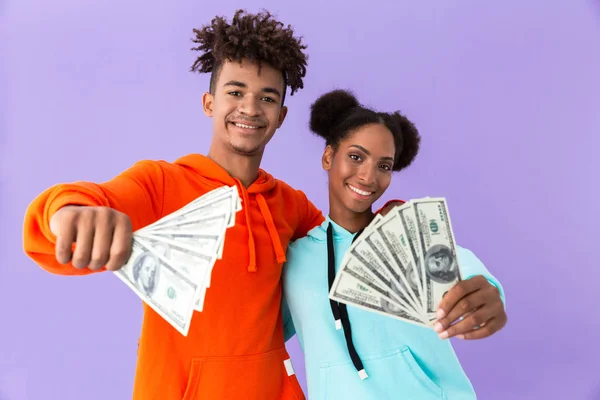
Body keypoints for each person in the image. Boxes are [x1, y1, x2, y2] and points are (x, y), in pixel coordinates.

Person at [22, 9, 331, 400]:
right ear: (208, 102)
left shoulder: (292, 205)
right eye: (235, 92)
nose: (250, 109)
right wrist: (68, 210)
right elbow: (96, 199)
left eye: (266, 98)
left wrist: (389, 218)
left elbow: (346, 257)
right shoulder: (163, 183)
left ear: (281, 116)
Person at [282, 90, 508, 399]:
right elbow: (260, 329)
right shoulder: (295, 258)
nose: (368, 176)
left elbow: (461, 268)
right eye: (356, 157)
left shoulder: (408, 235)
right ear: (328, 156)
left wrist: (487, 292)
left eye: (384, 166)